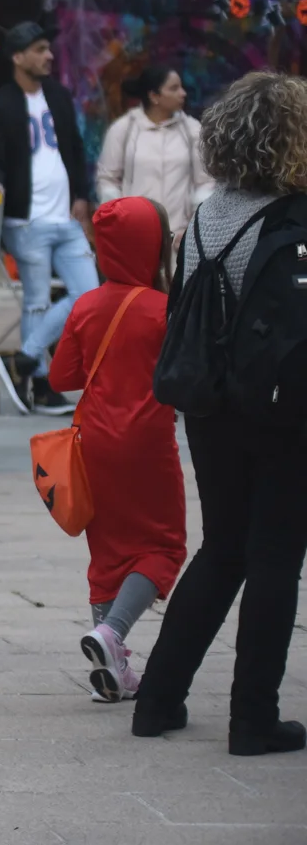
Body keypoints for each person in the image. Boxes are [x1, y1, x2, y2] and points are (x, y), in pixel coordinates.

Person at [133, 73, 307, 755]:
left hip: (209, 406)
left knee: (224, 546)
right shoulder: (294, 217)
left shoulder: (208, 211)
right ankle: (253, 719)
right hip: (282, 411)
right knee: (275, 557)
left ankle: (157, 699)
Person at [46, 197, 186, 704]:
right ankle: (113, 633)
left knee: (106, 554)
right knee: (164, 546)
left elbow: (61, 377)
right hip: (149, 444)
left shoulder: (85, 305)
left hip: (95, 443)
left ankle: (112, 668)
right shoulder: (164, 309)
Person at [0, 22, 97, 415]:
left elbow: (76, 148)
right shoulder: (1, 103)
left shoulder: (58, 96)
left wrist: (82, 195)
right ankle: (41, 386)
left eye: (49, 48)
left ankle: (24, 359)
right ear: (18, 57)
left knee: (89, 295)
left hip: (66, 218)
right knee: (35, 301)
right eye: (39, 50)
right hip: (26, 220)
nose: (49, 56)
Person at [96, 64, 213, 240]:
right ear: (154, 96)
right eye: (174, 88)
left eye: (181, 87)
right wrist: (121, 222)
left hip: (179, 237)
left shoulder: (192, 130)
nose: (183, 93)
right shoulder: (124, 129)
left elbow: (206, 182)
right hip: (135, 236)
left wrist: (193, 230)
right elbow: (108, 179)